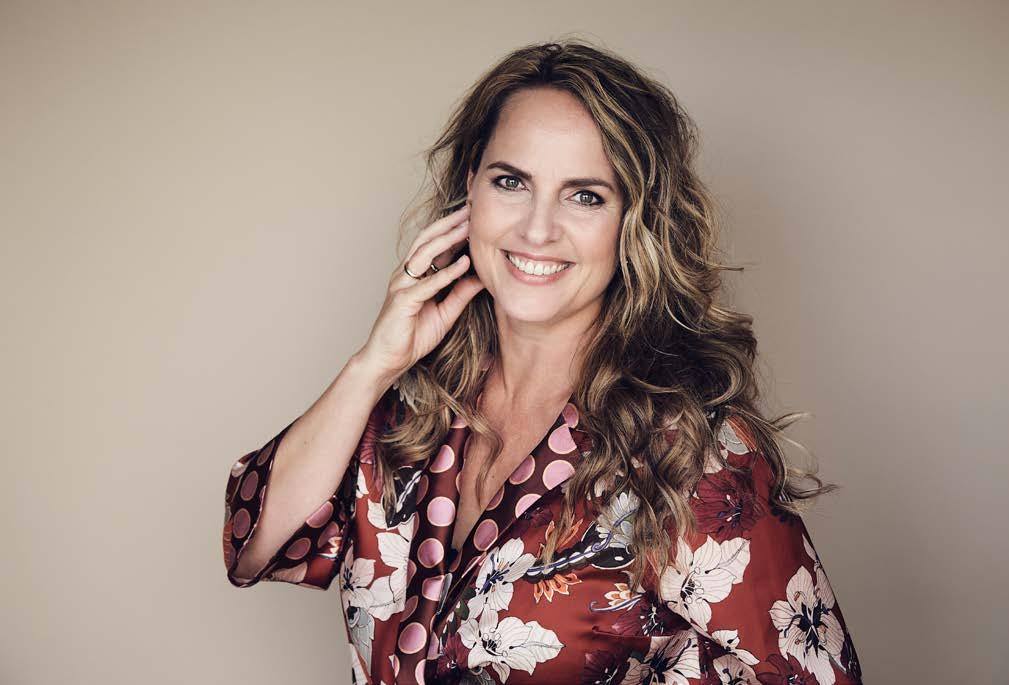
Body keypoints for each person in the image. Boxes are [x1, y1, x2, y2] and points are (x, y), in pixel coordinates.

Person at [222, 39, 863, 685]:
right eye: (511, 182)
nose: (536, 229)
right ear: (469, 189)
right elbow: (254, 549)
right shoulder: (411, 412)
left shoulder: (690, 453)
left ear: (635, 220)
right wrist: (373, 365)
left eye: (585, 196)